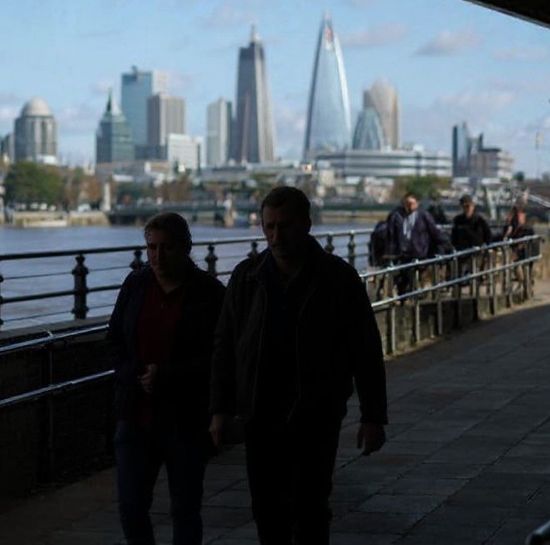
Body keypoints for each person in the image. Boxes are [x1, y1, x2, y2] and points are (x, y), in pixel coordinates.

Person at [209, 187, 387, 544]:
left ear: (307, 224)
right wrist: (220, 409)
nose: (276, 236)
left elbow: (365, 350)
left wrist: (373, 416)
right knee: (266, 510)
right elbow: (225, 346)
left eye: (285, 226)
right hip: (259, 414)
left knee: (310, 509)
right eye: (269, 227)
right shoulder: (246, 278)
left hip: (316, 415)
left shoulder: (338, 279)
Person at [107, 212, 226, 545]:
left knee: (185, 510)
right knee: (131, 507)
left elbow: (220, 356)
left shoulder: (209, 293)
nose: (158, 256)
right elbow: (114, 339)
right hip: (135, 415)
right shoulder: (135, 285)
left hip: (185, 420)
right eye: (152, 248)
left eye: (167, 248)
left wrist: (169, 376)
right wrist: (134, 375)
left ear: (186, 248)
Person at [387, 192, 450, 293]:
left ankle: (414, 295)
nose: (409, 206)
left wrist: (446, 243)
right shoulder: (398, 216)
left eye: (411, 203)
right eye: (406, 204)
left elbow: (434, 231)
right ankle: (404, 298)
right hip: (403, 252)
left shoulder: (423, 216)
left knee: (416, 276)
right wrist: (391, 250)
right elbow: (391, 234)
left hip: (419, 251)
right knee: (403, 278)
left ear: (417, 204)